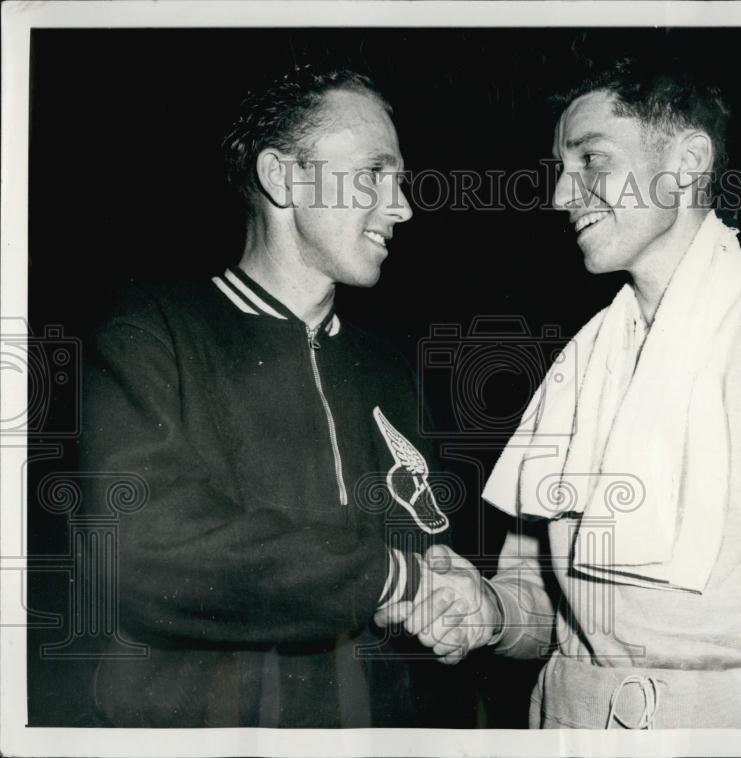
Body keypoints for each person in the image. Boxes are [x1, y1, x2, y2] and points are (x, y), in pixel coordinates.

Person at [380, 59, 741, 729]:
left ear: (689, 161)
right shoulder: (578, 367)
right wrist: (487, 610)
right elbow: (542, 604)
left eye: (591, 159)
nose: (560, 196)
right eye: (559, 168)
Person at [81, 65, 466, 727]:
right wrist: (391, 578)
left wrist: (455, 602)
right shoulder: (153, 333)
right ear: (283, 177)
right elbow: (143, 542)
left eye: (399, 180)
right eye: (375, 172)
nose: (403, 205)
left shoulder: (387, 368)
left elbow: (423, 549)